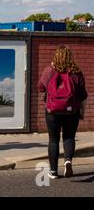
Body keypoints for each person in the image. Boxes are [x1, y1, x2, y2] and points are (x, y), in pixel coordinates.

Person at [38, 45, 88, 179]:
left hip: (52, 111)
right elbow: (83, 95)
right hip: (72, 111)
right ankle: (67, 161)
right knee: (69, 137)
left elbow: (41, 88)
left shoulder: (49, 70)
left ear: (56, 56)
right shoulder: (76, 72)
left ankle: (53, 172)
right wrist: (82, 111)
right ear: (70, 57)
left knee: (53, 139)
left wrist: (51, 68)